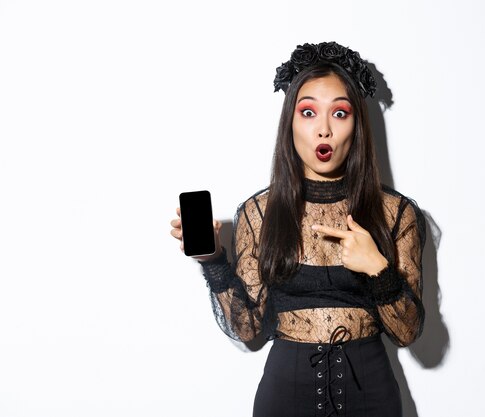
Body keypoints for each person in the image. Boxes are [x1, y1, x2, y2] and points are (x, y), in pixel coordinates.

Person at [170, 41, 426, 417]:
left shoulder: (395, 212)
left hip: (372, 396)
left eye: (339, 113)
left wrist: (377, 268)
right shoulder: (260, 212)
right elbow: (247, 327)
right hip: (284, 397)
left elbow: (407, 333)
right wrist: (214, 260)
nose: (323, 129)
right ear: (290, 122)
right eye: (308, 112)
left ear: (357, 126)